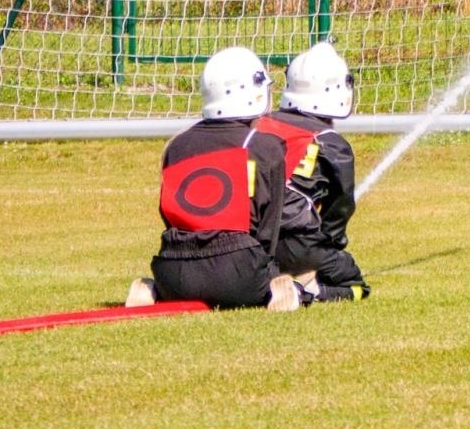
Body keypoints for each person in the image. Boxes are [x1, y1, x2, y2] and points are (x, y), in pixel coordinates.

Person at [125, 46, 303, 311]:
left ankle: (154, 291)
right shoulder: (265, 147)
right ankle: (278, 291)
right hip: (238, 271)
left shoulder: (177, 145)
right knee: (294, 285)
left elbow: (170, 214)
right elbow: (268, 229)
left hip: (172, 270)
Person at [253, 41, 369, 303]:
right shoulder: (331, 142)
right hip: (298, 247)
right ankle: (307, 291)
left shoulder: (260, 126)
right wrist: (331, 247)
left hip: (250, 245)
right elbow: (339, 208)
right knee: (357, 286)